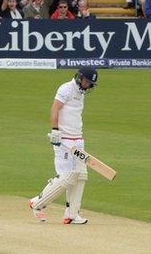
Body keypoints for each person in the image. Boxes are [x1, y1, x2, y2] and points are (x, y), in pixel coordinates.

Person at [28, 67, 98, 225]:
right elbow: (55, 108)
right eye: (87, 81)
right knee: (66, 177)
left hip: (78, 139)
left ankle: (72, 214)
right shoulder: (66, 88)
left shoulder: (81, 92)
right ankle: (37, 203)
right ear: (80, 78)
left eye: (90, 83)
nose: (88, 85)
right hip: (63, 139)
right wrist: (55, 130)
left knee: (81, 175)